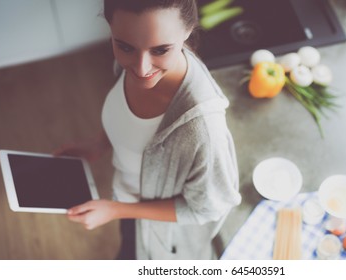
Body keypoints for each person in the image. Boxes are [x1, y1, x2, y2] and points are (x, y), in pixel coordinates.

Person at [54, 0, 241, 260]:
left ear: (188, 31)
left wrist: (117, 210)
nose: (142, 69)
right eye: (125, 46)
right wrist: (99, 143)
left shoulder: (203, 130)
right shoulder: (129, 63)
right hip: (125, 202)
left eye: (161, 50)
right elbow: (129, 120)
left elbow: (205, 209)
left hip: (156, 235)